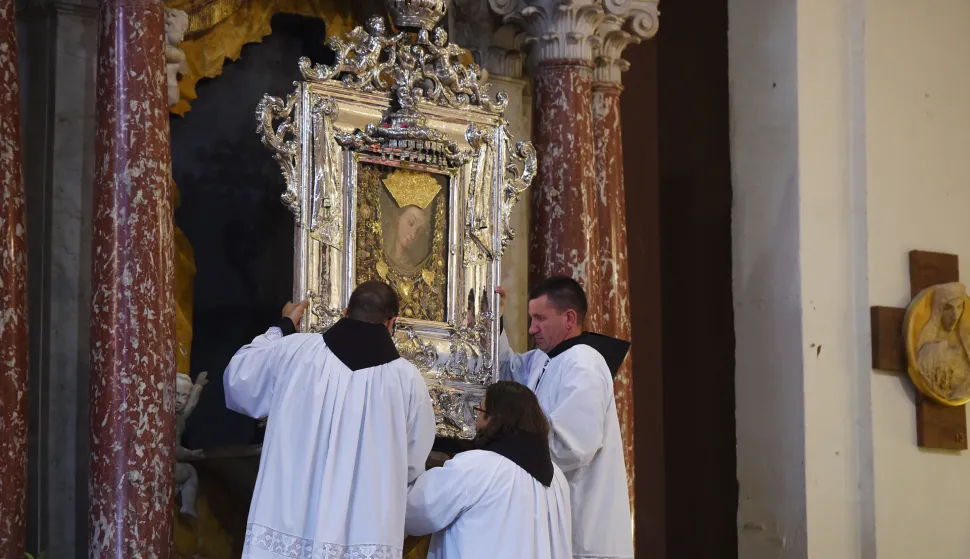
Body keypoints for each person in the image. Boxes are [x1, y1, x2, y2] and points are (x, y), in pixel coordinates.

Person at [224, 280, 436, 559]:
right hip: (363, 533)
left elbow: (238, 379)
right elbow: (410, 465)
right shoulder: (408, 382)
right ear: (392, 323)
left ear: (345, 313)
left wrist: (284, 326)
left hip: (290, 522)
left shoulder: (294, 352)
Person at [496, 276, 633, 559]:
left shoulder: (584, 362)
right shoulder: (542, 360)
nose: (532, 328)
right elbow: (503, 371)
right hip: (556, 529)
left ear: (569, 318)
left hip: (583, 533)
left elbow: (572, 446)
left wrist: (500, 448)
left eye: (540, 318)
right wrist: (493, 321)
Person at [405, 381, 572, 559]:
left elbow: (415, 513)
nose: (475, 420)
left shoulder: (476, 467)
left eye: (480, 411)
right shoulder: (557, 478)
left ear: (493, 419)